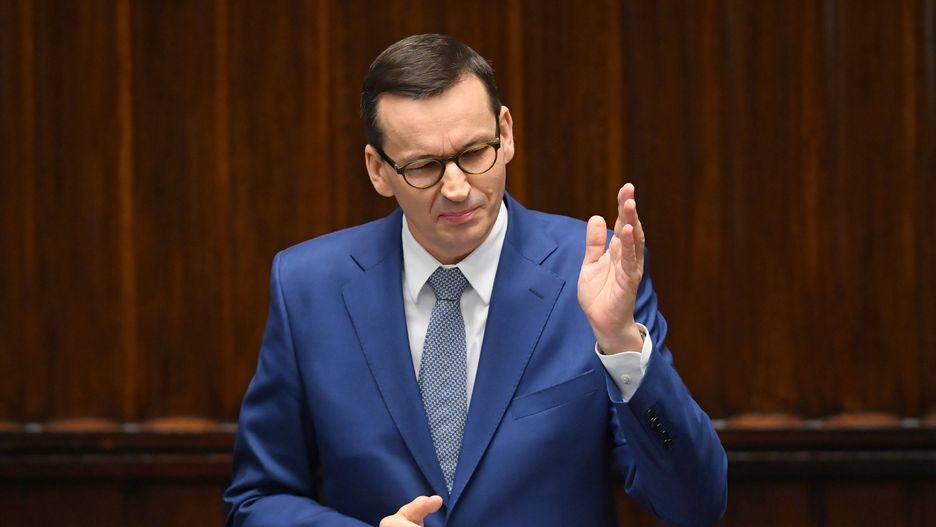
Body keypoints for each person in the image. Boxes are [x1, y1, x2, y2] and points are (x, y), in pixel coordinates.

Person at [224, 34, 727, 527]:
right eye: (424, 166)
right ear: (378, 170)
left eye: (473, 153)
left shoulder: (595, 271)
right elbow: (257, 499)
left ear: (505, 134)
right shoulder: (307, 287)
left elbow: (696, 504)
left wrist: (621, 345)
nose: (457, 188)